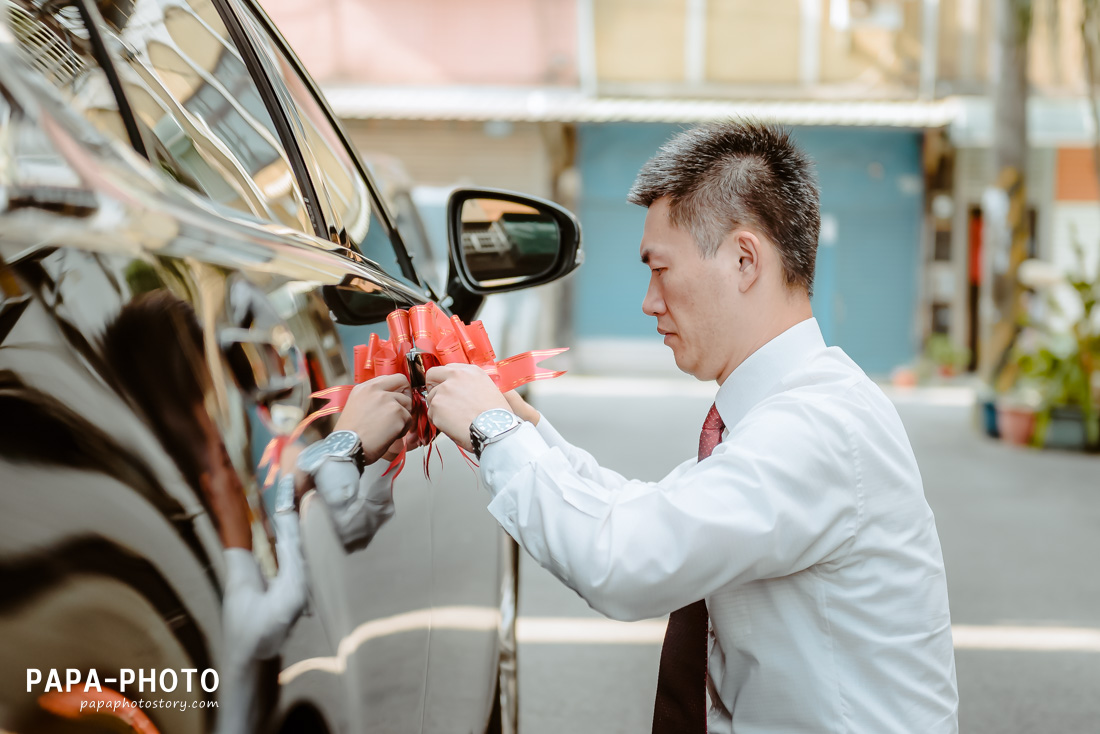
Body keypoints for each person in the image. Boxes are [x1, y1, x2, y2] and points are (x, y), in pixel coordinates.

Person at [423, 121, 959, 733]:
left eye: (660, 268)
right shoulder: (791, 411)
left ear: (743, 259)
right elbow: (655, 511)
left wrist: (493, 433)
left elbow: (627, 560)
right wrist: (525, 428)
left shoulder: (817, 427)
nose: (650, 300)